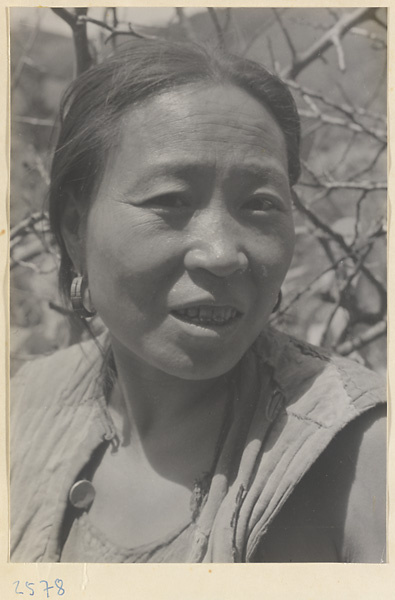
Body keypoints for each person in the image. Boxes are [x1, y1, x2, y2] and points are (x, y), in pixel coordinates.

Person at [10, 39, 386, 563]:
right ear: (76, 230)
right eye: (170, 201)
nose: (222, 254)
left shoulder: (363, 450)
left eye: (260, 204)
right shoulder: (26, 402)